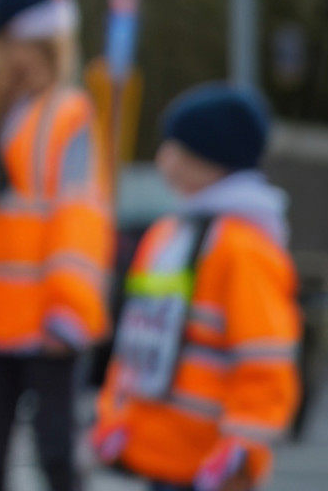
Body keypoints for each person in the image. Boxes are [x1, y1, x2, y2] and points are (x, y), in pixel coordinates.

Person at [0, 0, 113, 491]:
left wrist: (69, 307)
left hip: (47, 312)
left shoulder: (68, 114)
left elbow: (80, 212)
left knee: (55, 453)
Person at [93, 84, 300, 491]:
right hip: (157, 448)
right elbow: (139, 340)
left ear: (210, 158)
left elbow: (265, 357)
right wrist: (114, 417)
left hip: (209, 460)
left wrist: (244, 446)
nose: (162, 159)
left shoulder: (244, 248)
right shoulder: (168, 235)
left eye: (175, 147)